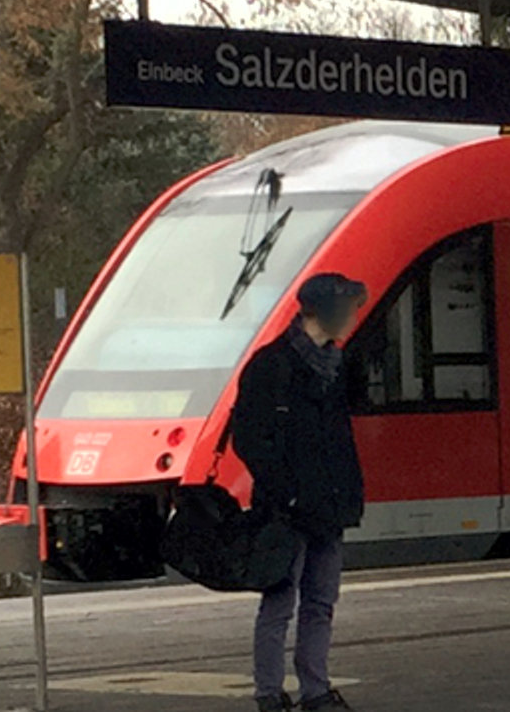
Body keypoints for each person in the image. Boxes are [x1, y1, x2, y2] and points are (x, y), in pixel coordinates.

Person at [233, 274, 368, 712]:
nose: (351, 316)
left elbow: (340, 439)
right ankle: (269, 693)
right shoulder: (270, 366)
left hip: (328, 506)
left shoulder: (336, 366)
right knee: (280, 603)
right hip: (286, 511)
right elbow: (249, 438)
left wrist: (348, 495)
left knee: (320, 603)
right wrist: (286, 493)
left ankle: (315, 689)